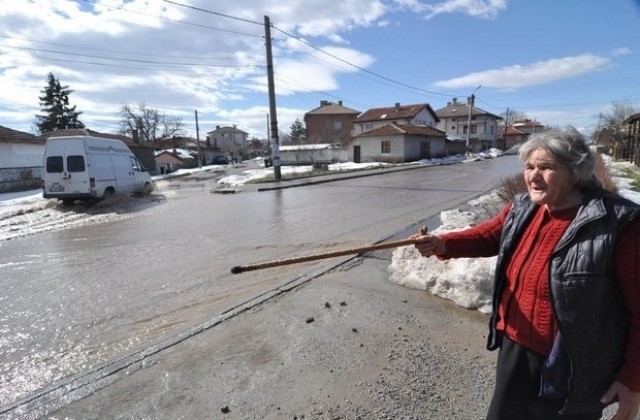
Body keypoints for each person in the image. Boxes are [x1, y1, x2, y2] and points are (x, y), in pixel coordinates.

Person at [413, 127, 640, 420]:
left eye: (546, 167)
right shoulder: (523, 207)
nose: (533, 176)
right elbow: (488, 236)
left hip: (572, 362)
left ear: (575, 171)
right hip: (517, 347)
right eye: (529, 167)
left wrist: (632, 379)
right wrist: (443, 242)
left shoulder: (619, 223)